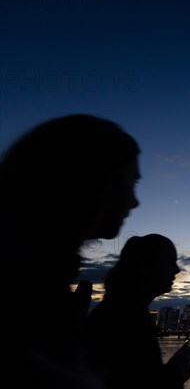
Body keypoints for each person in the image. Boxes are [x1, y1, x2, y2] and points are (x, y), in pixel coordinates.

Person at [0, 114, 141, 387]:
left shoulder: (37, 278)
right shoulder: (26, 290)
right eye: (130, 183)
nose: (134, 202)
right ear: (93, 180)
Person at [86, 234, 190, 389]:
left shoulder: (121, 309)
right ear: (146, 265)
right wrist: (175, 373)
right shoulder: (126, 318)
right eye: (170, 261)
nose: (177, 270)